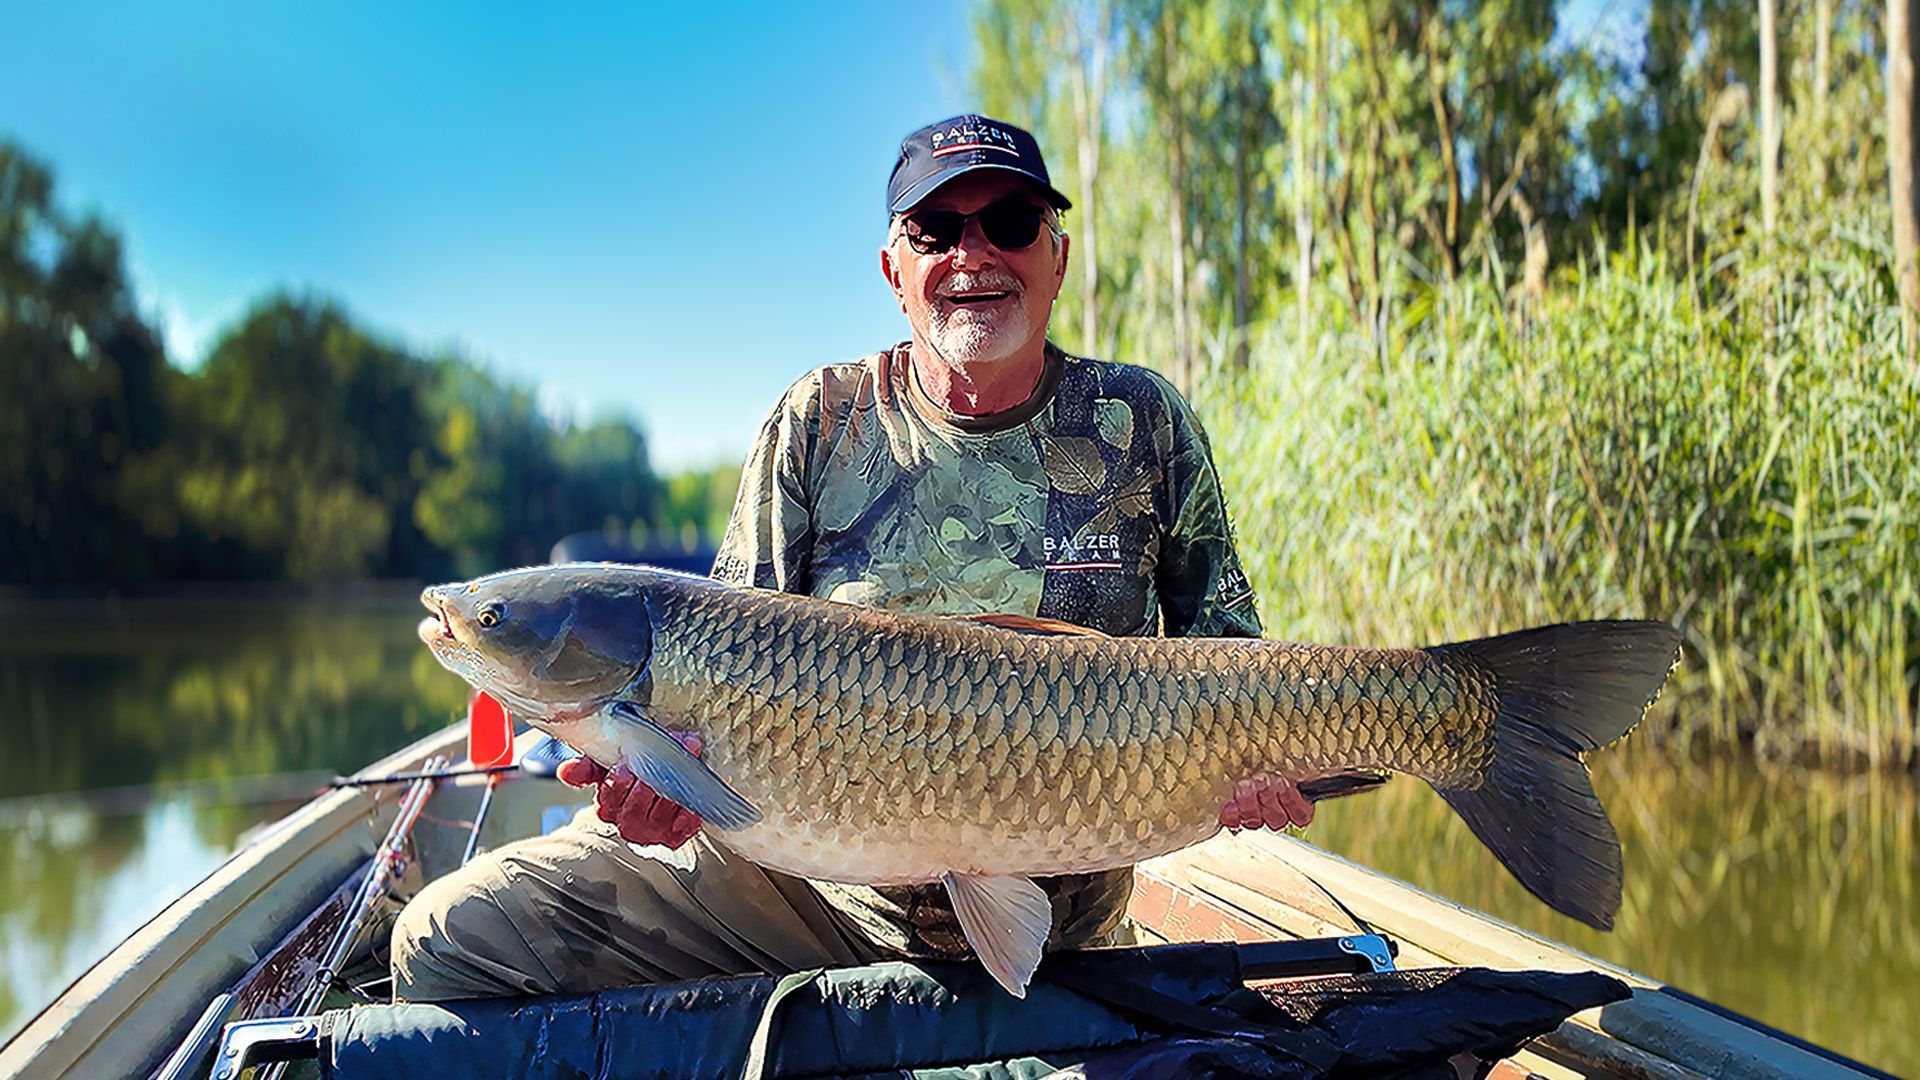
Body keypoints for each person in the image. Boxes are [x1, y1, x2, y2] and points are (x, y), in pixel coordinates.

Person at [388, 114, 1312, 1002]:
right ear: (893, 270)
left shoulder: (1139, 422)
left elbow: (1237, 661)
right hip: (805, 897)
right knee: (449, 937)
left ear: (1057, 258)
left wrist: (1271, 764)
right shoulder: (818, 422)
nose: (974, 253)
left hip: (1068, 917)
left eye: (1010, 222)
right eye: (935, 229)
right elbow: (716, 680)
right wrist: (661, 795)